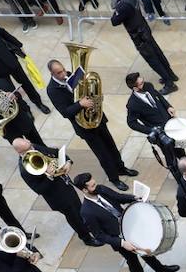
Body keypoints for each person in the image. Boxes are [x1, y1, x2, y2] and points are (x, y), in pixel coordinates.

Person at [76, 172, 180, 272]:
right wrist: (121, 243)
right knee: (134, 264)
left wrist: (134, 197)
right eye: (92, 186)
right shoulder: (87, 211)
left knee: (145, 250)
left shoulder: (101, 189)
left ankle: (160, 269)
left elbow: (118, 197)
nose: (96, 187)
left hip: (129, 226)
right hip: (119, 238)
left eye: (95, 183)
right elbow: (99, 235)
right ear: (84, 190)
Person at [45, 60, 136, 191]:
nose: (64, 74)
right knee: (103, 154)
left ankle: (121, 168)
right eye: (59, 72)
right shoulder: (52, 90)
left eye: (63, 70)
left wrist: (97, 97)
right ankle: (114, 178)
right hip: (84, 126)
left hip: (97, 119)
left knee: (111, 145)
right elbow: (65, 112)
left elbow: (88, 91)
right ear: (52, 73)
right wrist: (80, 104)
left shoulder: (72, 76)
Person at [10, 138, 94, 244]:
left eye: (30, 145)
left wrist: (68, 161)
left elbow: (55, 153)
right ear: (19, 152)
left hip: (66, 186)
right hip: (58, 197)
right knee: (74, 217)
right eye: (28, 149)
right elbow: (39, 189)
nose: (32, 149)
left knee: (79, 208)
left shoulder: (34, 147)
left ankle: (88, 226)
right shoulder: (24, 170)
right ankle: (86, 238)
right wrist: (49, 176)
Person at [107, 0, 179, 92]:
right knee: (157, 52)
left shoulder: (123, 5)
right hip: (144, 29)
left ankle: (169, 83)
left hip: (139, 35)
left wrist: (116, 7)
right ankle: (170, 75)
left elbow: (114, 21)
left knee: (152, 59)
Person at [124, 73, 185, 176]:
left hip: (169, 123)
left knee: (179, 148)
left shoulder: (148, 86)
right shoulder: (132, 104)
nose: (144, 82)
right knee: (170, 155)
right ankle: (178, 177)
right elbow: (131, 123)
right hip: (159, 132)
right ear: (135, 88)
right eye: (141, 83)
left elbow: (158, 95)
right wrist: (150, 130)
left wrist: (168, 106)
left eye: (142, 80)